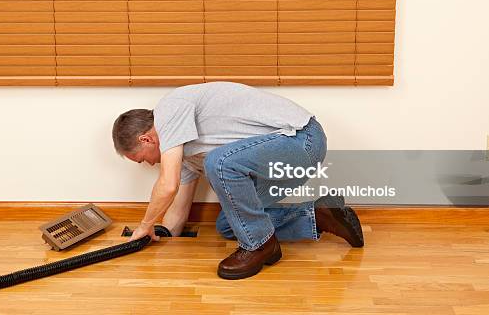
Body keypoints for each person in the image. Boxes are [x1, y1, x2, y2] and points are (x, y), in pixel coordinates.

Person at [112, 82, 364, 280]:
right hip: (281, 162)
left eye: (140, 159)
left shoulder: (170, 108)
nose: (148, 164)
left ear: (146, 139)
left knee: (219, 162)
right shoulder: (183, 153)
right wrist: (163, 234)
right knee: (231, 224)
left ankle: (260, 247)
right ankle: (319, 216)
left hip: (301, 140)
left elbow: (168, 184)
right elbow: (178, 207)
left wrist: (144, 225)